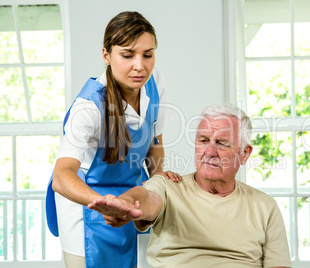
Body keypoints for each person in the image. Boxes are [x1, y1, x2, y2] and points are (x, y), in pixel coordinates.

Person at [45, 11, 180, 268]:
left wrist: (157, 181)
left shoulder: (155, 84)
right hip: (86, 202)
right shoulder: (88, 107)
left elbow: (155, 143)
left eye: (147, 54)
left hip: (129, 195)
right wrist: (103, 203)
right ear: (107, 55)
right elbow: (62, 177)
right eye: (127, 55)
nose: (139, 65)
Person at [89, 103, 293, 268]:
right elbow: (147, 198)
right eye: (203, 140)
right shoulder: (169, 185)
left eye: (221, 143)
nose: (210, 152)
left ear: (245, 153)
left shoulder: (265, 206)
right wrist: (125, 202)